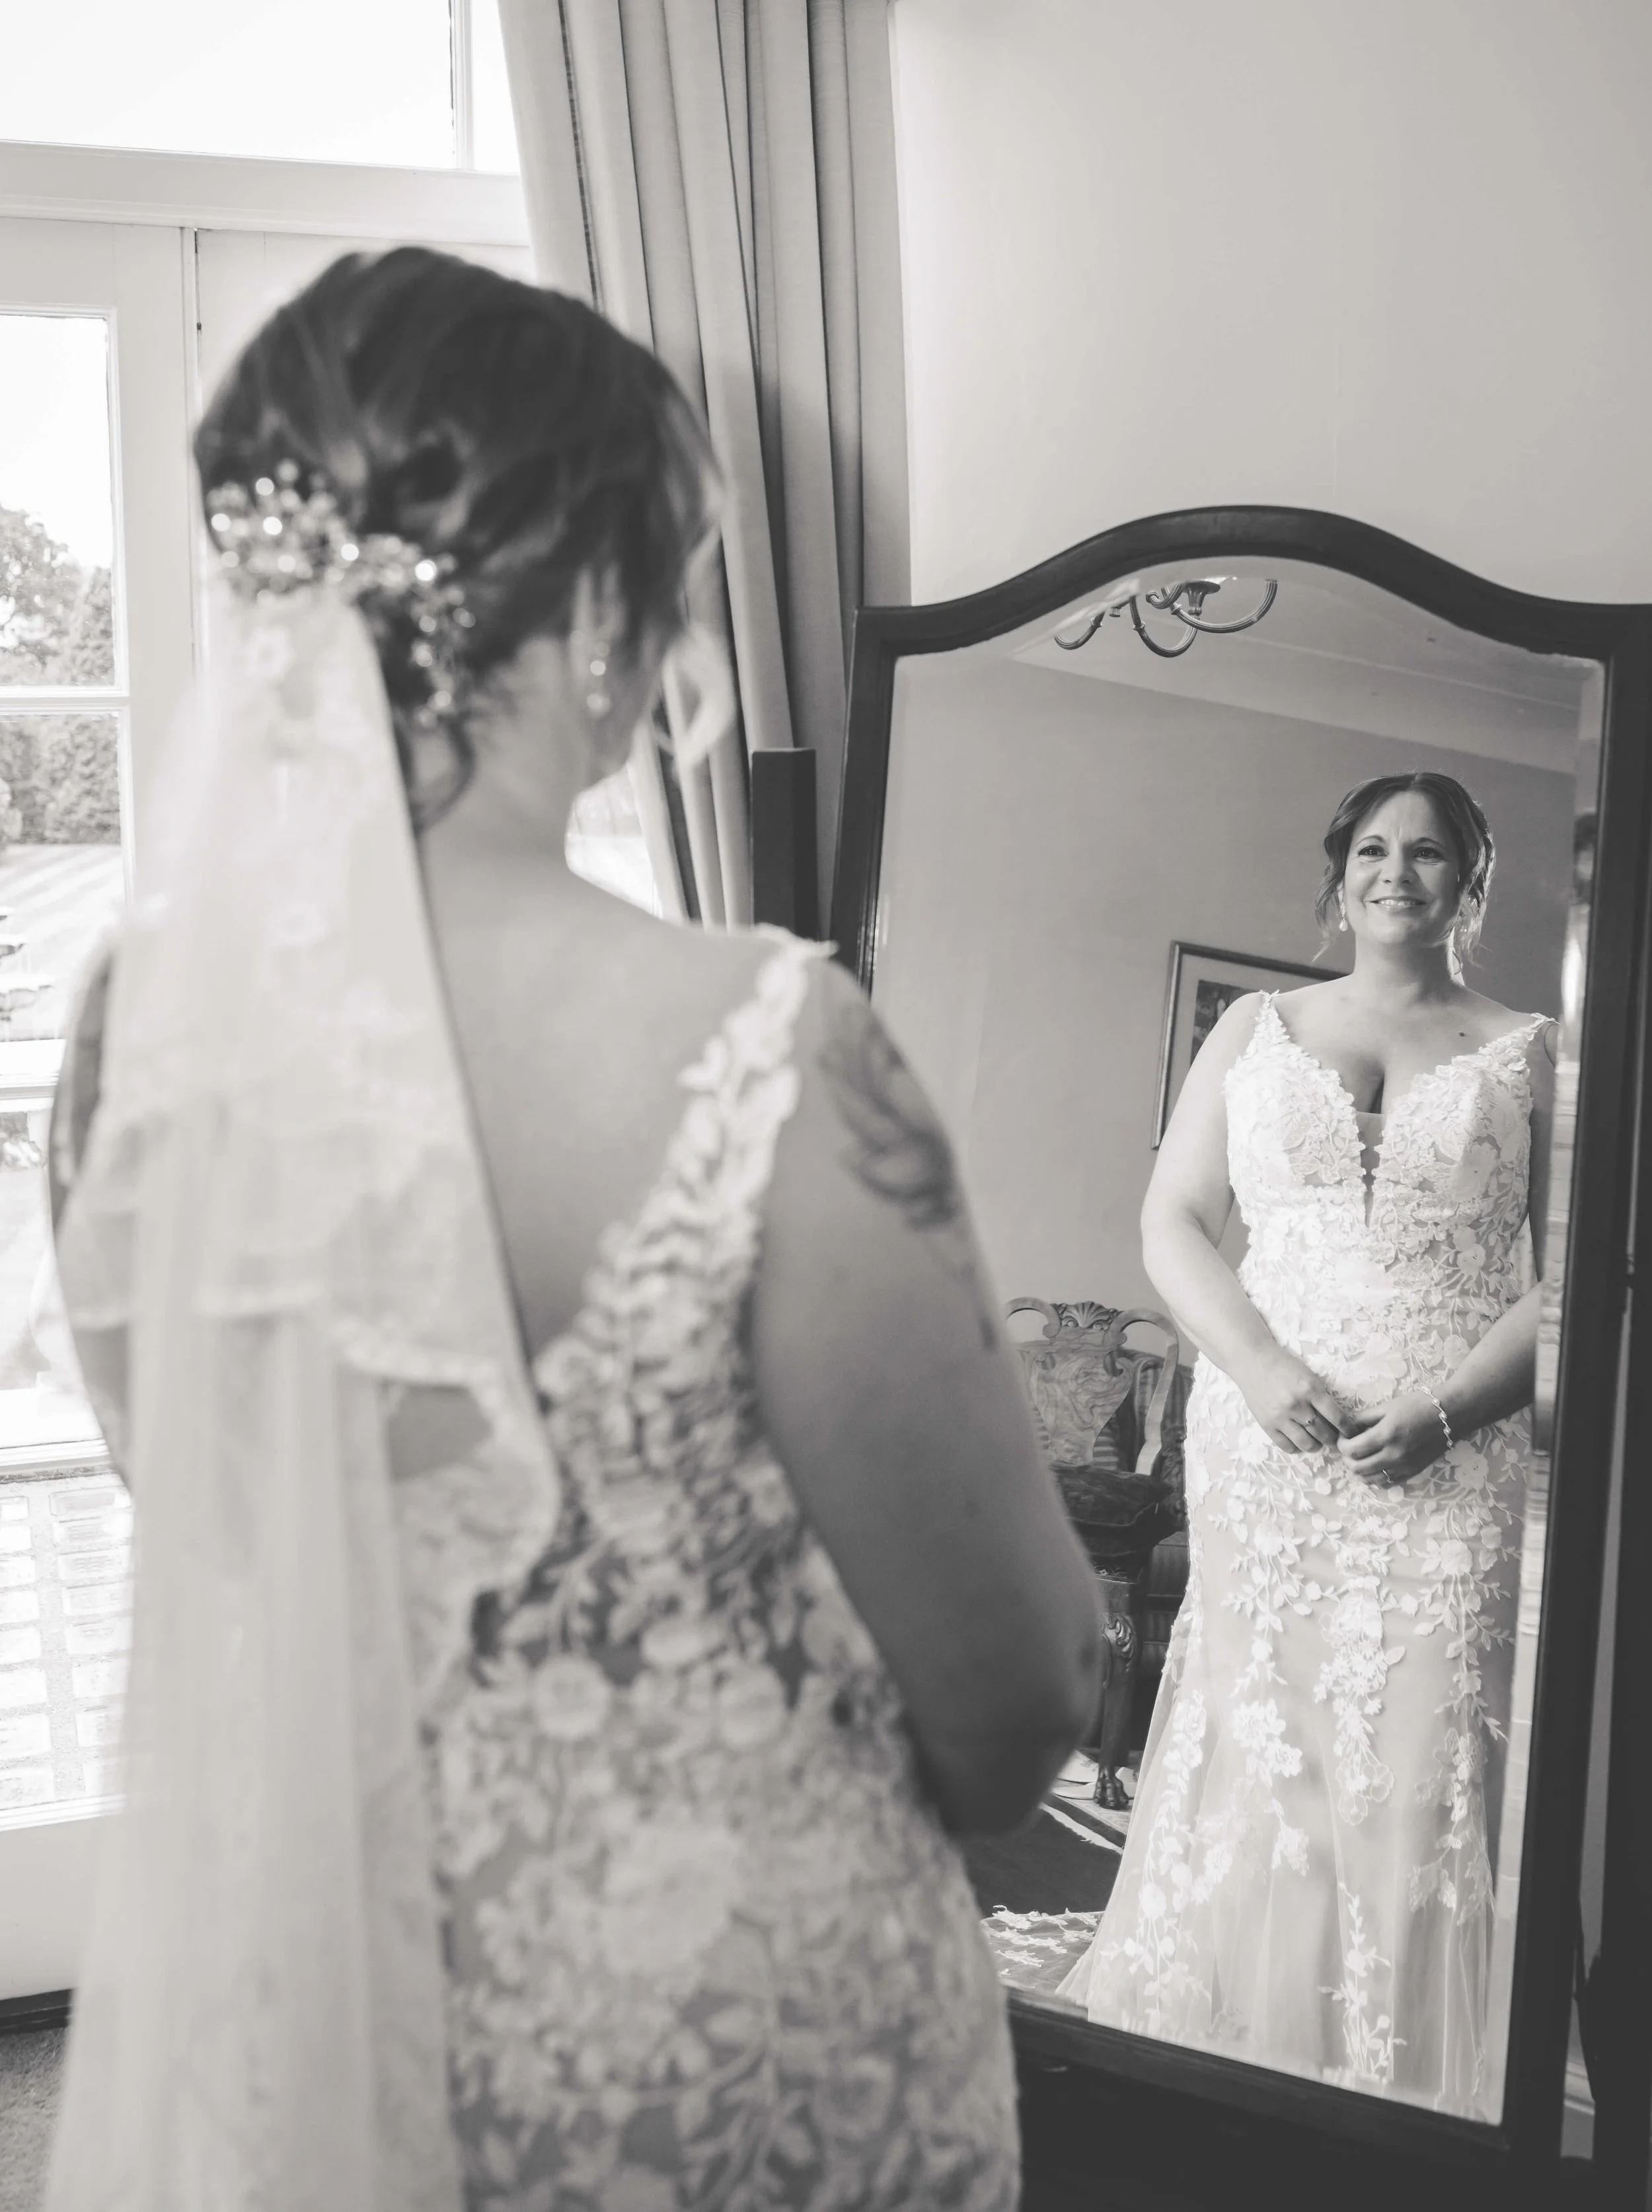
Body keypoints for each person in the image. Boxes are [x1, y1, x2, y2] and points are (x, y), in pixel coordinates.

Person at [42, 247, 1102, 2211]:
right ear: (595, 599)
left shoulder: (134, 1040)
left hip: (318, 2012)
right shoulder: (771, 1047)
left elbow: (208, 1501)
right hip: (721, 2051)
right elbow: (1020, 1688)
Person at [1059, 771, 1556, 2117]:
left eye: (1430, 851)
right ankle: (1216, 2046)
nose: (1398, 870)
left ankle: (1393, 2085)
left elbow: (1573, 1274)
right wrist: (1264, 1365)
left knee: (1413, 1765)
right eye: (1375, 849)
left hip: (1451, 1450)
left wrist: (1452, 1405)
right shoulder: (1254, 1033)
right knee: (1256, 1739)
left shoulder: (1532, 1052)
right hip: (1267, 1442)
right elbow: (1169, 1224)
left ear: (1474, 879)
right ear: (1337, 873)